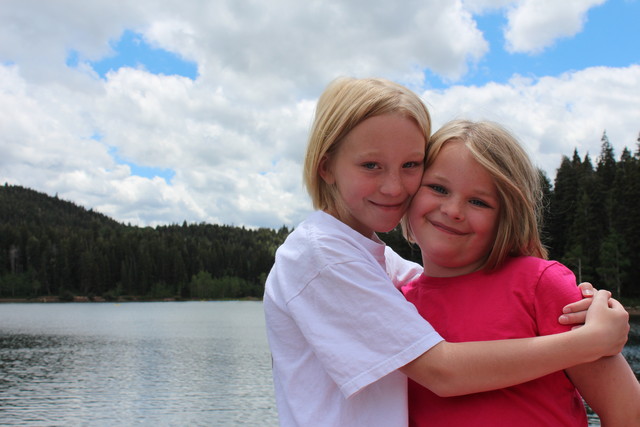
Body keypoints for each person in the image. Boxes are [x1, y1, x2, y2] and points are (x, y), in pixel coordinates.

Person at [263, 77, 630, 427]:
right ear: (326, 165)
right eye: (370, 165)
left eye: (410, 165)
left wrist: (591, 305)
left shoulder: (390, 274)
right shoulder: (321, 255)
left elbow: (628, 412)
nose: (392, 186)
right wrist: (589, 341)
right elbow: (442, 371)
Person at [401, 119, 640, 426]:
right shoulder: (394, 304)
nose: (453, 210)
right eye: (437, 188)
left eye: (478, 201)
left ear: (508, 215)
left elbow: (628, 413)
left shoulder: (541, 285)